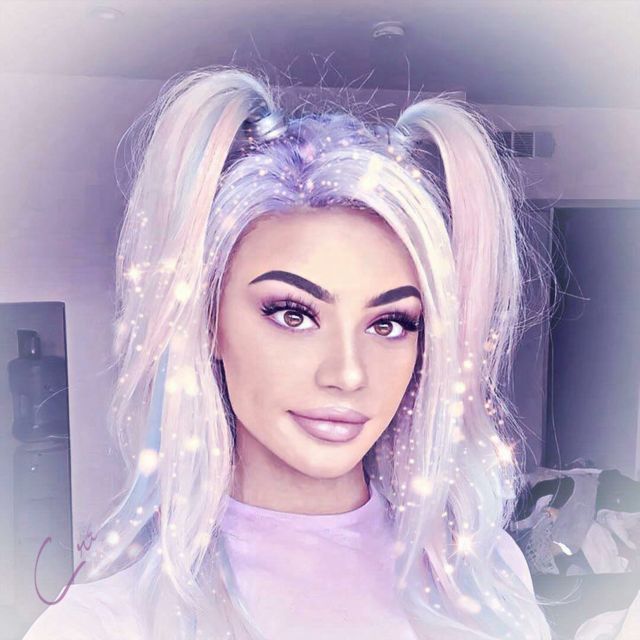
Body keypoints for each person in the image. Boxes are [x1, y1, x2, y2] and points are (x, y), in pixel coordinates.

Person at [23, 66, 554, 640]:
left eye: (390, 323)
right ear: (207, 323)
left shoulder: (486, 576)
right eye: (292, 314)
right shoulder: (104, 624)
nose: (348, 373)